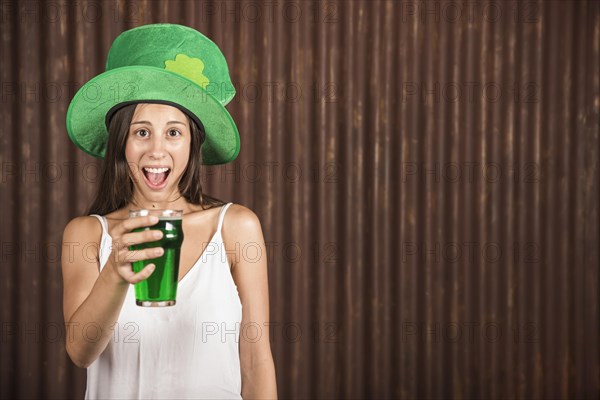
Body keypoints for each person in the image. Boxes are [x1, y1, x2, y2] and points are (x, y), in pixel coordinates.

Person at [61, 24, 277, 399]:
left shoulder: (236, 227)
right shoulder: (87, 234)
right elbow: (80, 352)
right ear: (121, 143)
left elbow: (256, 360)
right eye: (141, 132)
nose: (157, 151)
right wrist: (115, 272)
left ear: (193, 144)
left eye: (174, 132)